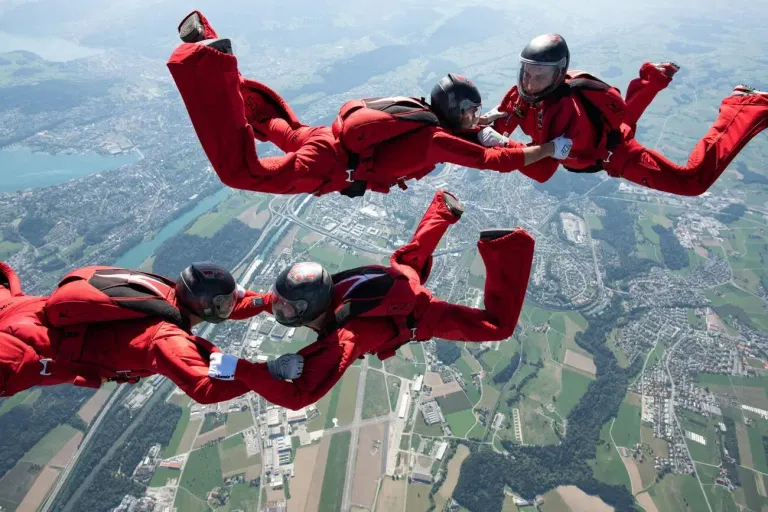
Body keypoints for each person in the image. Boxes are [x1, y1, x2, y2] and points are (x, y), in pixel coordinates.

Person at [167, 11, 572, 198]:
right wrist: (552, 148)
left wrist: (487, 122)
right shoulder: (436, 139)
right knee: (242, 172)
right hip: (326, 162)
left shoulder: (423, 112)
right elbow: (493, 162)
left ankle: (216, 55)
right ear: (451, 112)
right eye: (467, 111)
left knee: (273, 124)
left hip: (325, 140)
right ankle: (204, 64)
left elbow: (471, 132)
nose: (473, 118)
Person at [226, 189, 535, 410]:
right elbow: (261, 300)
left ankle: (510, 248)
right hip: (392, 279)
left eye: (285, 305)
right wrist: (226, 305)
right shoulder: (316, 293)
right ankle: (440, 208)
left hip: (417, 314)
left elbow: (299, 397)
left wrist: (250, 370)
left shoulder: (345, 339)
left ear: (308, 308)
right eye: (280, 301)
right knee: (408, 264)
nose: (278, 307)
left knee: (497, 327)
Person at [480, 33, 768, 196]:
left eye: (539, 76)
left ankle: (743, 106)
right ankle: (653, 78)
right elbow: (503, 122)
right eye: (526, 73)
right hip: (599, 138)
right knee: (622, 119)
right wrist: (470, 127)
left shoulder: (569, 111)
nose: (529, 83)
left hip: (615, 154)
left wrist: (502, 144)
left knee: (692, 182)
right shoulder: (523, 93)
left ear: (558, 75)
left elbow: (543, 167)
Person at [0, 261, 301, 403]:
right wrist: (270, 371)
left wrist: (269, 302)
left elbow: (231, 305)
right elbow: (207, 388)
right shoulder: (167, 339)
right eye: (224, 302)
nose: (231, 306)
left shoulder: (170, 293)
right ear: (208, 306)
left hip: (22, 309)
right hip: (25, 348)